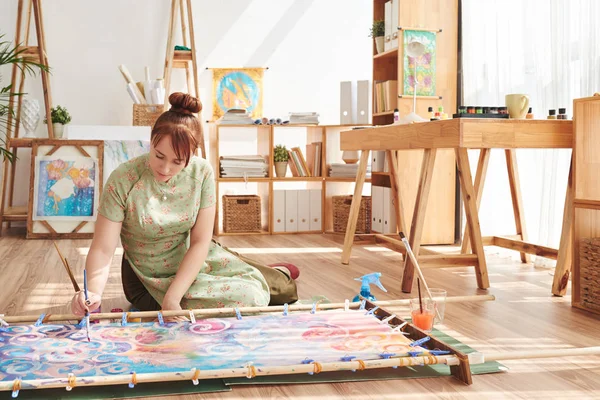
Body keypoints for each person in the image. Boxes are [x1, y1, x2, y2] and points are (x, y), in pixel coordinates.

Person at [71, 93, 298, 318]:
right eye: (159, 155)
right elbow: (103, 248)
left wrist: (173, 298)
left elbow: (200, 241)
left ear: (192, 154)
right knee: (253, 297)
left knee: (283, 290)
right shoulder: (123, 179)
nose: (166, 168)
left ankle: (275, 273)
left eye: (178, 161)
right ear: (151, 140)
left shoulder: (201, 172)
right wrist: (92, 291)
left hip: (194, 257)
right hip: (148, 278)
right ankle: (268, 272)